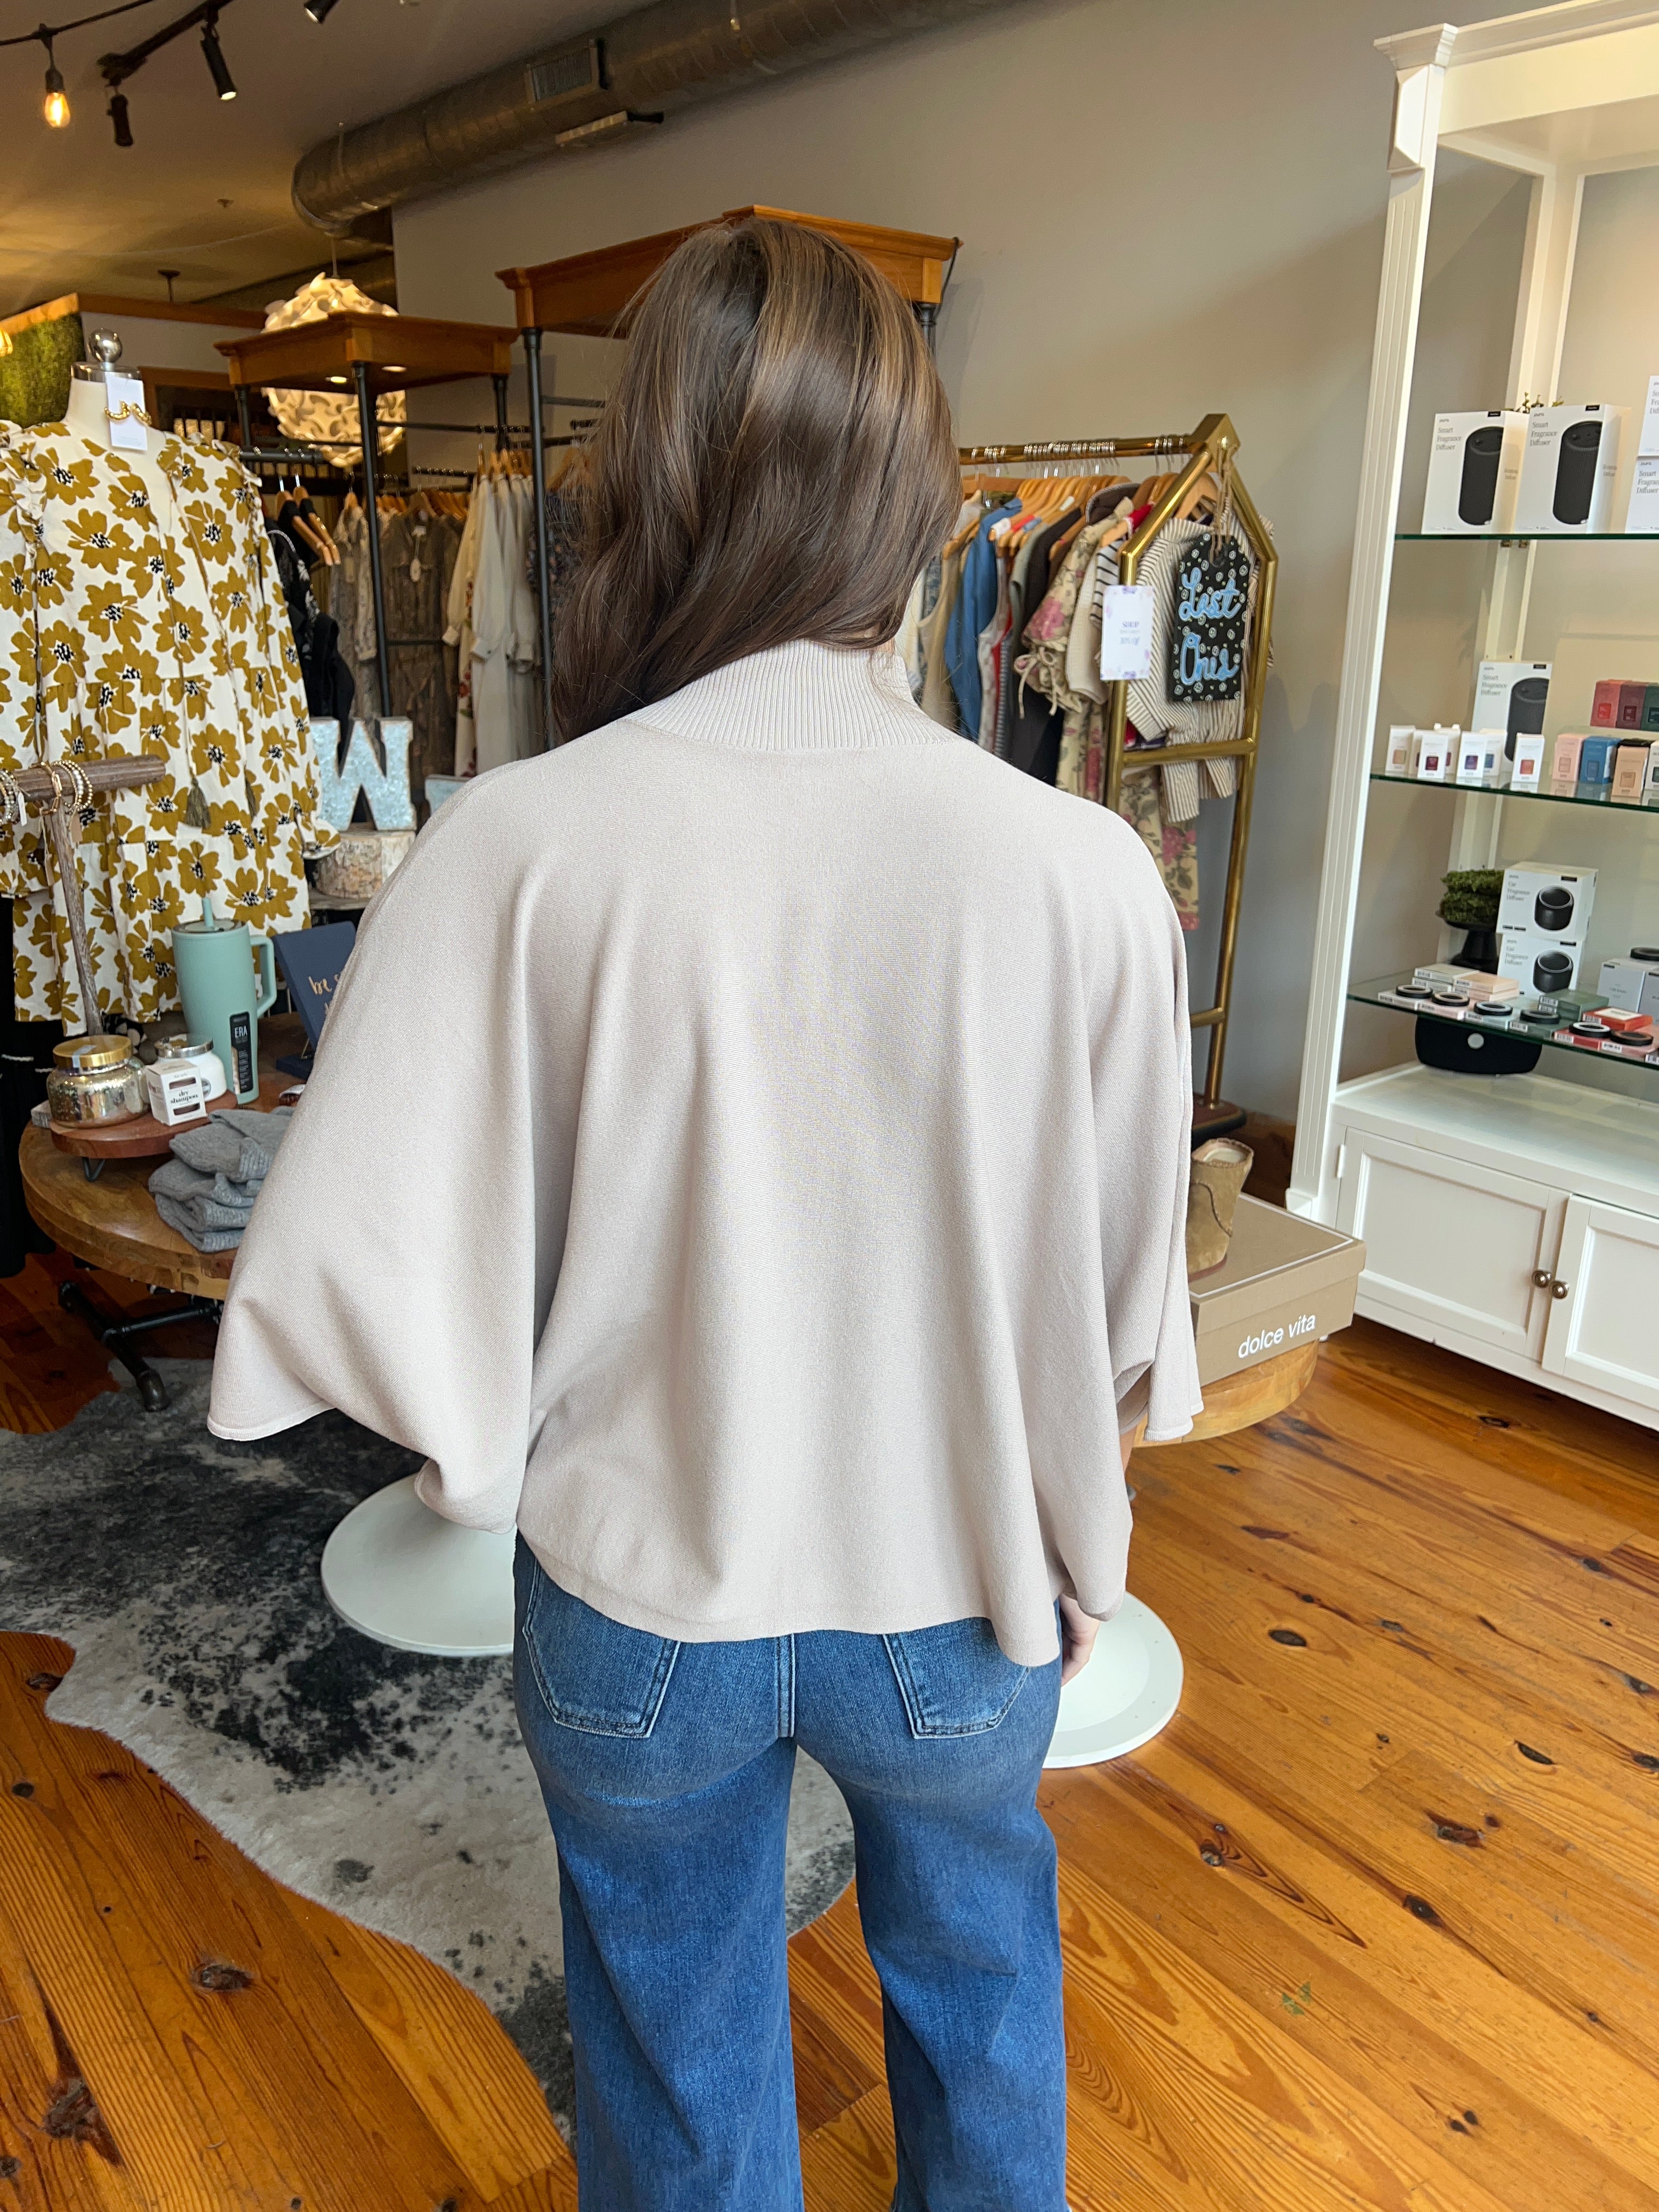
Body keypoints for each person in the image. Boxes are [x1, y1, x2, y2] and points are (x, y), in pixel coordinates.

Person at [209, 216, 1200, 2210]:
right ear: (915, 487)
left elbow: (346, 1275)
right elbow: (1122, 1308)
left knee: (676, 2065)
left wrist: (496, 1448)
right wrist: (1074, 1526)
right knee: (986, 2001)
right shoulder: (1081, 869)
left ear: (640, 481)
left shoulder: (513, 844)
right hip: (960, 1598)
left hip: (639, 1604)